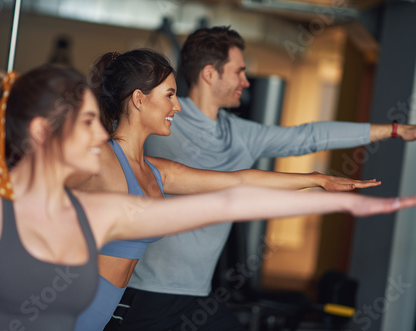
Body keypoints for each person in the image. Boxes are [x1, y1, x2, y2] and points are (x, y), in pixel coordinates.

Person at [0, 64, 416, 331]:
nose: (177, 106)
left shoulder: (127, 193)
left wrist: (325, 190)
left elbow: (232, 194)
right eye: (86, 124)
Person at [107, 27, 416, 331]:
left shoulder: (239, 133)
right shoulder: (161, 120)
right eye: (239, 71)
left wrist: (394, 130)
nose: (246, 80)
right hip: (144, 294)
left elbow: (305, 139)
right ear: (210, 74)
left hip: (196, 294)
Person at [71, 49, 381, 330]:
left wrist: (318, 179)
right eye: (169, 95)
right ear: (139, 99)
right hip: (77, 309)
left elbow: (239, 180)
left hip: (105, 312)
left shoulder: (156, 171)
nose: (177, 107)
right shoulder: (103, 159)